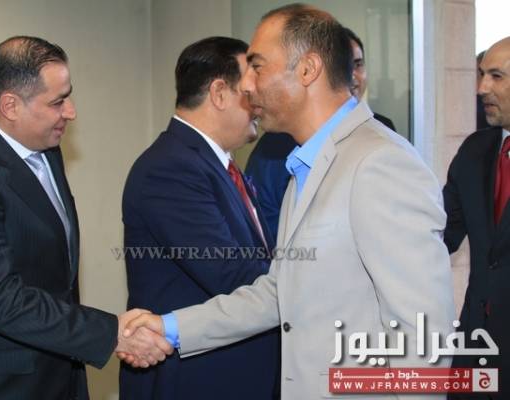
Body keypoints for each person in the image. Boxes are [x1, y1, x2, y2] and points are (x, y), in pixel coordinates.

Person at [121, 4, 455, 399]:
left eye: (257, 67)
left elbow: (423, 332)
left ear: (308, 69)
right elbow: (279, 292)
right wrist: (170, 328)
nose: (247, 86)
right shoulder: (306, 165)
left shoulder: (380, 162)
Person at [0, 36, 171, 400]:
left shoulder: (46, 148)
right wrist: (111, 333)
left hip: (57, 374)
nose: (70, 111)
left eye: (68, 96)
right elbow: (1, 298)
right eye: (57, 102)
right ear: (11, 105)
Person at [119, 36, 279, 400]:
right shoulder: (170, 168)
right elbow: (232, 274)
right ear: (219, 93)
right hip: (195, 380)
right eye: (250, 90)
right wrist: (310, 281)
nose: (259, 102)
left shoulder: (215, 164)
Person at [245, 26, 396, 238]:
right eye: (343, 66)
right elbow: (266, 229)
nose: (351, 76)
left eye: (358, 64)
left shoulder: (383, 142)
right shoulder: (275, 144)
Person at [444, 37, 510, 399]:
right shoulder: (474, 151)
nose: (481, 88)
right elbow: (439, 234)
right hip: (475, 350)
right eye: (481, 74)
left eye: (496, 76)